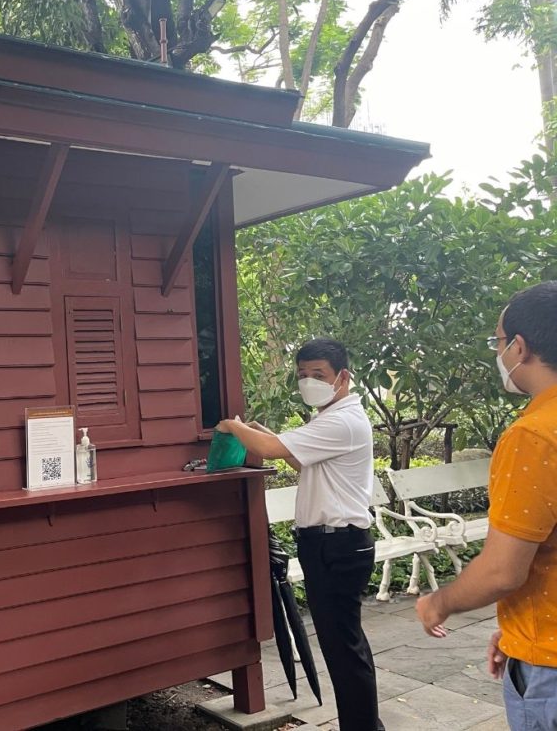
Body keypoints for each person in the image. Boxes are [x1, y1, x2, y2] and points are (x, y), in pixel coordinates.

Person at [217, 337, 383, 731]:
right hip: (332, 542)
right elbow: (297, 457)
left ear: (342, 377)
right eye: (303, 375)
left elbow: (273, 451)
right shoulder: (332, 416)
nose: (309, 381)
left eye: (318, 374)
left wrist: (235, 427)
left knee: (344, 652)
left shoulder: (342, 420)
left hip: (337, 544)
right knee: (345, 648)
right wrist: (262, 432)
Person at [415, 281, 557, 730]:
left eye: (498, 342)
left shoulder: (534, 435)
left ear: (519, 347)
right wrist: (517, 631)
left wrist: (439, 603)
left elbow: (502, 570)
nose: (499, 352)